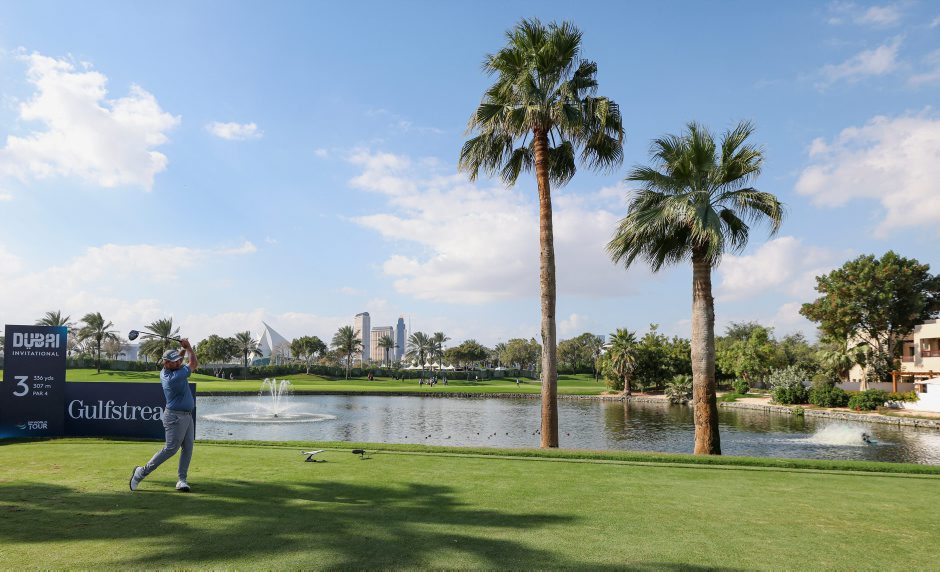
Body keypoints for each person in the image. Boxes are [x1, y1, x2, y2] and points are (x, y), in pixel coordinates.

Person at [129, 339, 198, 492]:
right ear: (166, 363)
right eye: (174, 362)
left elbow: (179, 360)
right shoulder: (173, 378)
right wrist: (188, 348)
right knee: (171, 449)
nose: (178, 363)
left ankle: (182, 480)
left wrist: (181, 350)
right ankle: (141, 472)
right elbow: (193, 363)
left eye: (178, 360)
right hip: (175, 417)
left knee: (188, 447)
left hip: (187, 416)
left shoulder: (169, 370)